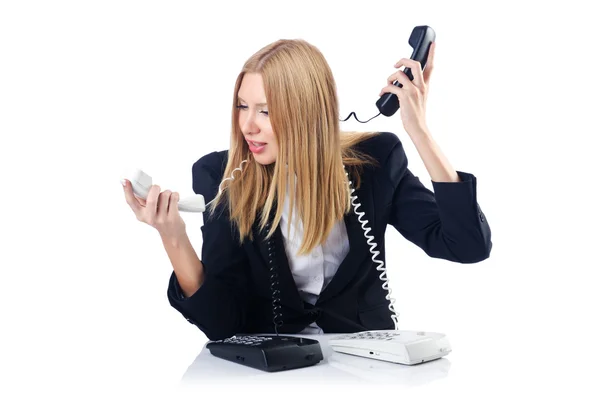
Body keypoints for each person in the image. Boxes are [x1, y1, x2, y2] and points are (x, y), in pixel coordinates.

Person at [122, 39, 492, 341]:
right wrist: (173, 238)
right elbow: (222, 324)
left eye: (265, 111)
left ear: (307, 112)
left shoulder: (375, 160)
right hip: (271, 368)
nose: (247, 125)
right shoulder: (220, 175)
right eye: (242, 106)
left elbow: (467, 245)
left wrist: (419, 132)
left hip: (365, 365)